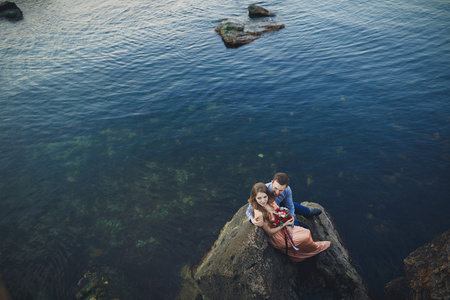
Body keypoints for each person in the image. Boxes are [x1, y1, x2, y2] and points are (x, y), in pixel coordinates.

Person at [248, 182, 331, 263]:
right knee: (305, 235)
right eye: (259, 198)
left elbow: (288, 207)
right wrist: (284, 224)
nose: (263, 200)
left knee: (307, 232)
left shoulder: (271, 201)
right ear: (254, 198)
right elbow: (269, 232)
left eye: (264, 197)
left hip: (282, 228)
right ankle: (300, 255)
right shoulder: (260, 213)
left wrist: (288, 223)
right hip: (277, 235)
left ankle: (304, 249)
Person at [246, 172, 322, 227]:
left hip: (279, 204)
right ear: (272, 182)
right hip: (271, 210)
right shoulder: (264, 189)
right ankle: (298, 224)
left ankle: (308, 213)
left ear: (285, 187)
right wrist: (252, 219)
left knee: (293, 204)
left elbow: (290, 206)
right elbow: (249, 208)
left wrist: (292, 217)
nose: (277, 192)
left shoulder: (287, 190)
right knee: (289, 225)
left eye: (281, 190)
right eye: (275, 188)